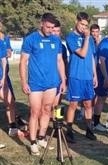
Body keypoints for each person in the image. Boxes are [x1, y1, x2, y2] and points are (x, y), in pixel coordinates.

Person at [19, 13, 66, 155]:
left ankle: (41, 138)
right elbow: (22, 62)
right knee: (35, 112)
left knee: (47, 110)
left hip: (52, 83)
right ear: (41, 24)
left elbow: (59, 61)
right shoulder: (31, 39)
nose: (50, 30)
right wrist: (23, 81)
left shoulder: (56, 41)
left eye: (53, 27)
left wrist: (63, 80)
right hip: (35, 83)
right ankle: (32, 142)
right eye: (48, 27)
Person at [65, 12, 98, 143]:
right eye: (82, 24)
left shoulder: (89, 39)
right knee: (73, 104)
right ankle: (69, 130)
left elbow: (90, 57)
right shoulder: (71, 37)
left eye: (86, 25)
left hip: (88, 77)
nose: (84, 27)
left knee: (88, 104)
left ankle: (89, 130)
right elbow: (83, 54)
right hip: (75, 76)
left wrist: (94, 75)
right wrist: (86, 38)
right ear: (76, 22)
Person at [0, 17, 26, 136]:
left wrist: (6, 53)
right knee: (8, 101)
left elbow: (8, 53)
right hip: (2, 76)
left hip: (4, 74)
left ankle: (15, 123)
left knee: (11, 101)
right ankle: (13, 125)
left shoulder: (5, 37)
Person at [52, 19, 68, 108]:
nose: (55, 33)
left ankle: (57, 120)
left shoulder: (62, 47)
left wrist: (65, 76)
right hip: (48, 77)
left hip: (59, 77)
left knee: (58, 102)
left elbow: (65, 62)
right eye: (54, 31)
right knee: (47, 103)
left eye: (58, 31)